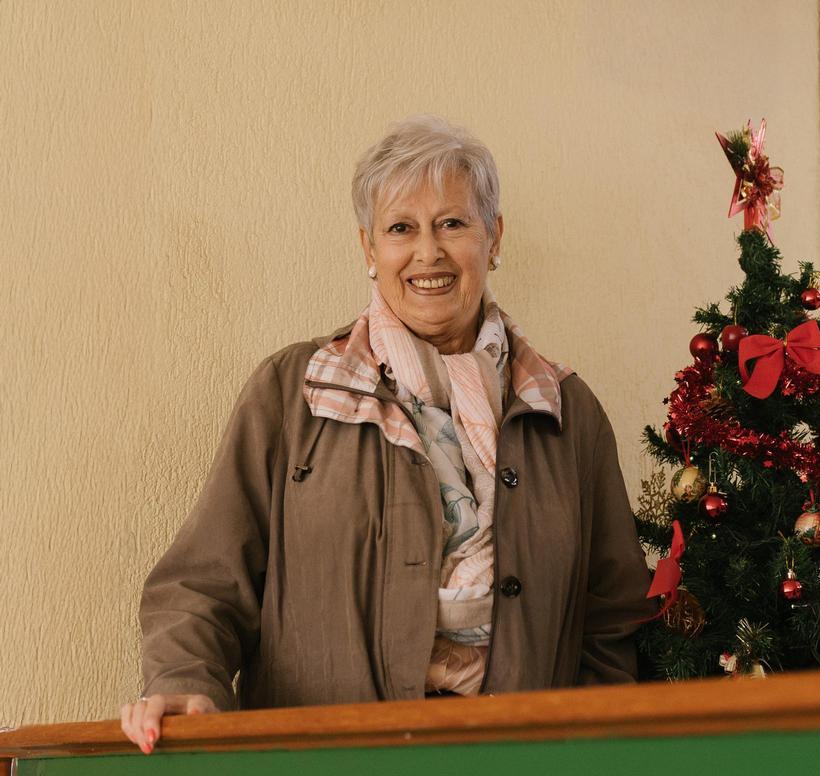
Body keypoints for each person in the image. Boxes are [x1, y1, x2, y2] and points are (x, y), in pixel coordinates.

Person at [120, 115, 654, 754]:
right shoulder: (293, 393)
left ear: (494, 236)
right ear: (369, 250)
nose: (428, 253)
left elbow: (611, 618)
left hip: (521, 758)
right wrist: (187, 681)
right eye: (402, 228)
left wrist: (591, 751)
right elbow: (203, 583)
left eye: (452, 223)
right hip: (325, 764)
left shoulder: (568, 412)